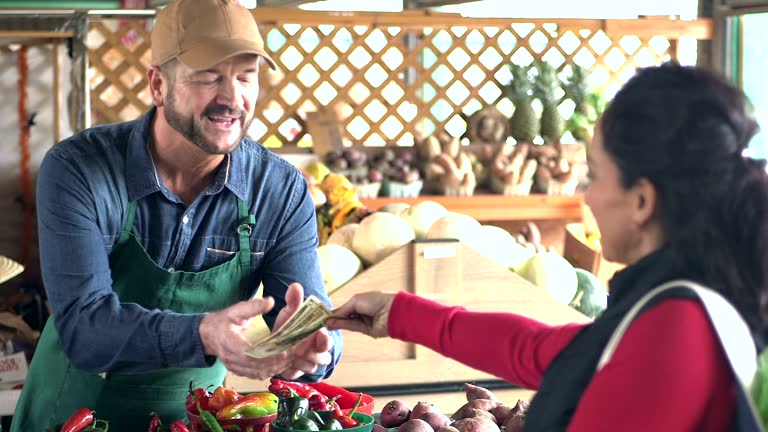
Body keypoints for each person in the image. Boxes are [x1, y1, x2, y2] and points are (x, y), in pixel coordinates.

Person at [327, 63, 768, 431]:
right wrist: (399, 313)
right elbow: (544, 350)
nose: (587, 198)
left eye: (594, 176)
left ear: (642, 200)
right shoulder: (681, 297)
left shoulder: (675, 329)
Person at [11, 0, 342, 430]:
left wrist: (315, 349)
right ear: (158, 85)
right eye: (208, 76)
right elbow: (85, 329)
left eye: (245, 76)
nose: (231, 97)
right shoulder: (79, 169)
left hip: (197, 420)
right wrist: (204, 333)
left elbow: (313, 319)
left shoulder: (279, 191)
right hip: (70, 417)